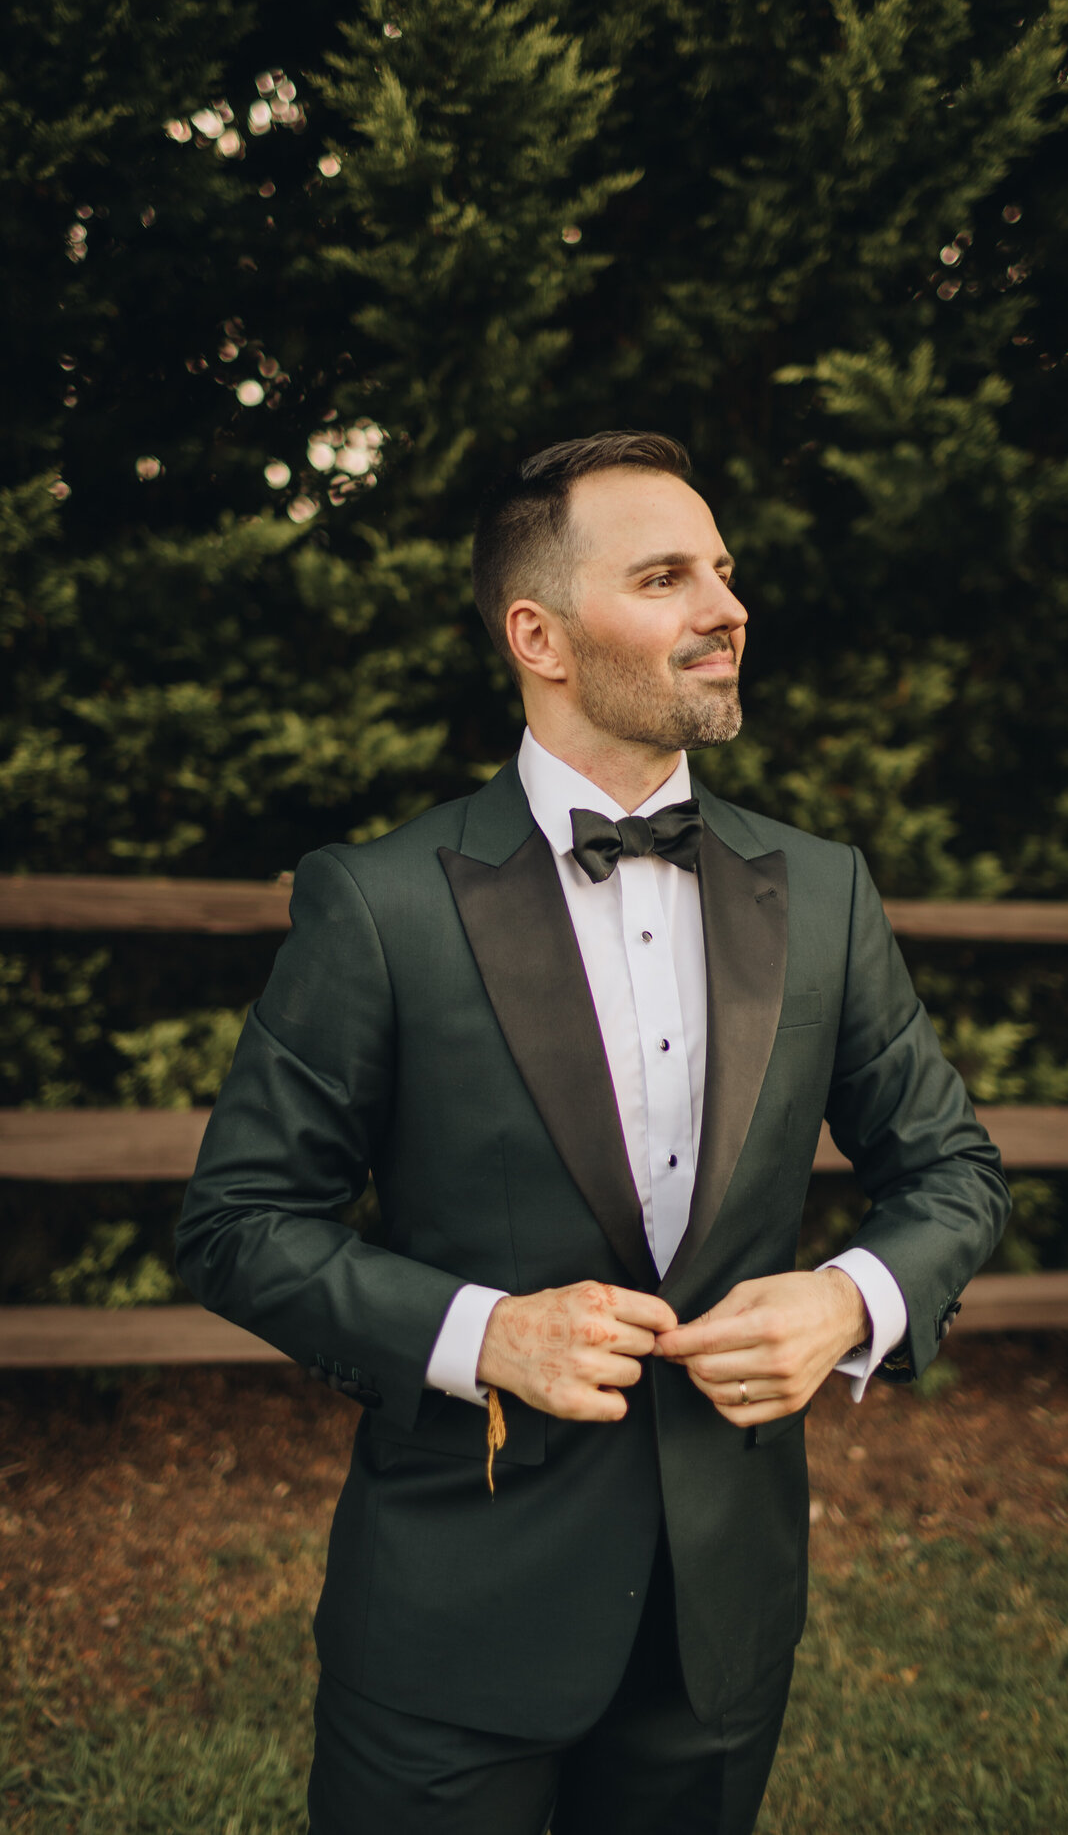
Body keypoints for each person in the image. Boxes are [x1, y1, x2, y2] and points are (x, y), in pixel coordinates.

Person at [175, 429, 1009, 1835]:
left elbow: (951, 1168)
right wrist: (484, 1333)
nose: (727, 606)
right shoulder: (379, 904)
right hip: (452, 1610)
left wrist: (845, 1297)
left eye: (727, 572)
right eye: (668, 574)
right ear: (538, 634)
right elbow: (239, 1222)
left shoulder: (822, 891)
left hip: (722, 1619)